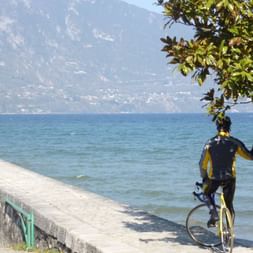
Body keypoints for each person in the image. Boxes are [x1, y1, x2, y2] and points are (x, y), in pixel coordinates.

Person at [199, 116, 253, 227]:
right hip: (230, 179)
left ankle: (214, 214)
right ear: (230, 127)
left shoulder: (210, 143)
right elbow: (250, 156)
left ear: (217, 127)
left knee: (206, 194)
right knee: (229, 205)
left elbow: (202, 164)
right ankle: (230, 232)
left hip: (214, 178)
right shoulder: (235, 142)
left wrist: (205, 178)